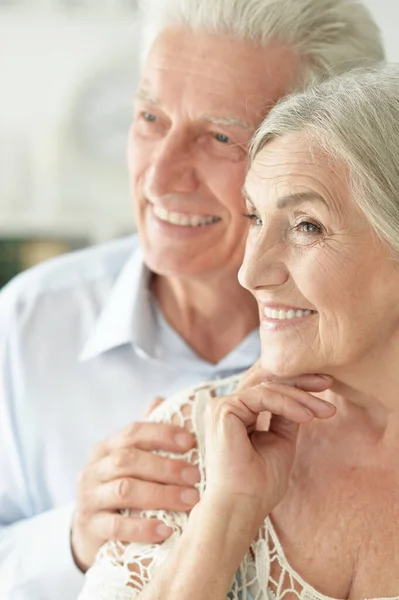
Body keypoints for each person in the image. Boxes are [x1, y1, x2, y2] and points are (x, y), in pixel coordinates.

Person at [0, 1, 384, 599]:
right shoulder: (30, 320)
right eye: (150, 118)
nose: (159, 178)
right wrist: (74, 541)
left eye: (221, 136)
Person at [79, 63, 399, 599]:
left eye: (306, 226)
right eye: (254, 218)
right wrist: (226, 514)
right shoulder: (189, 444)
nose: (251, 273)